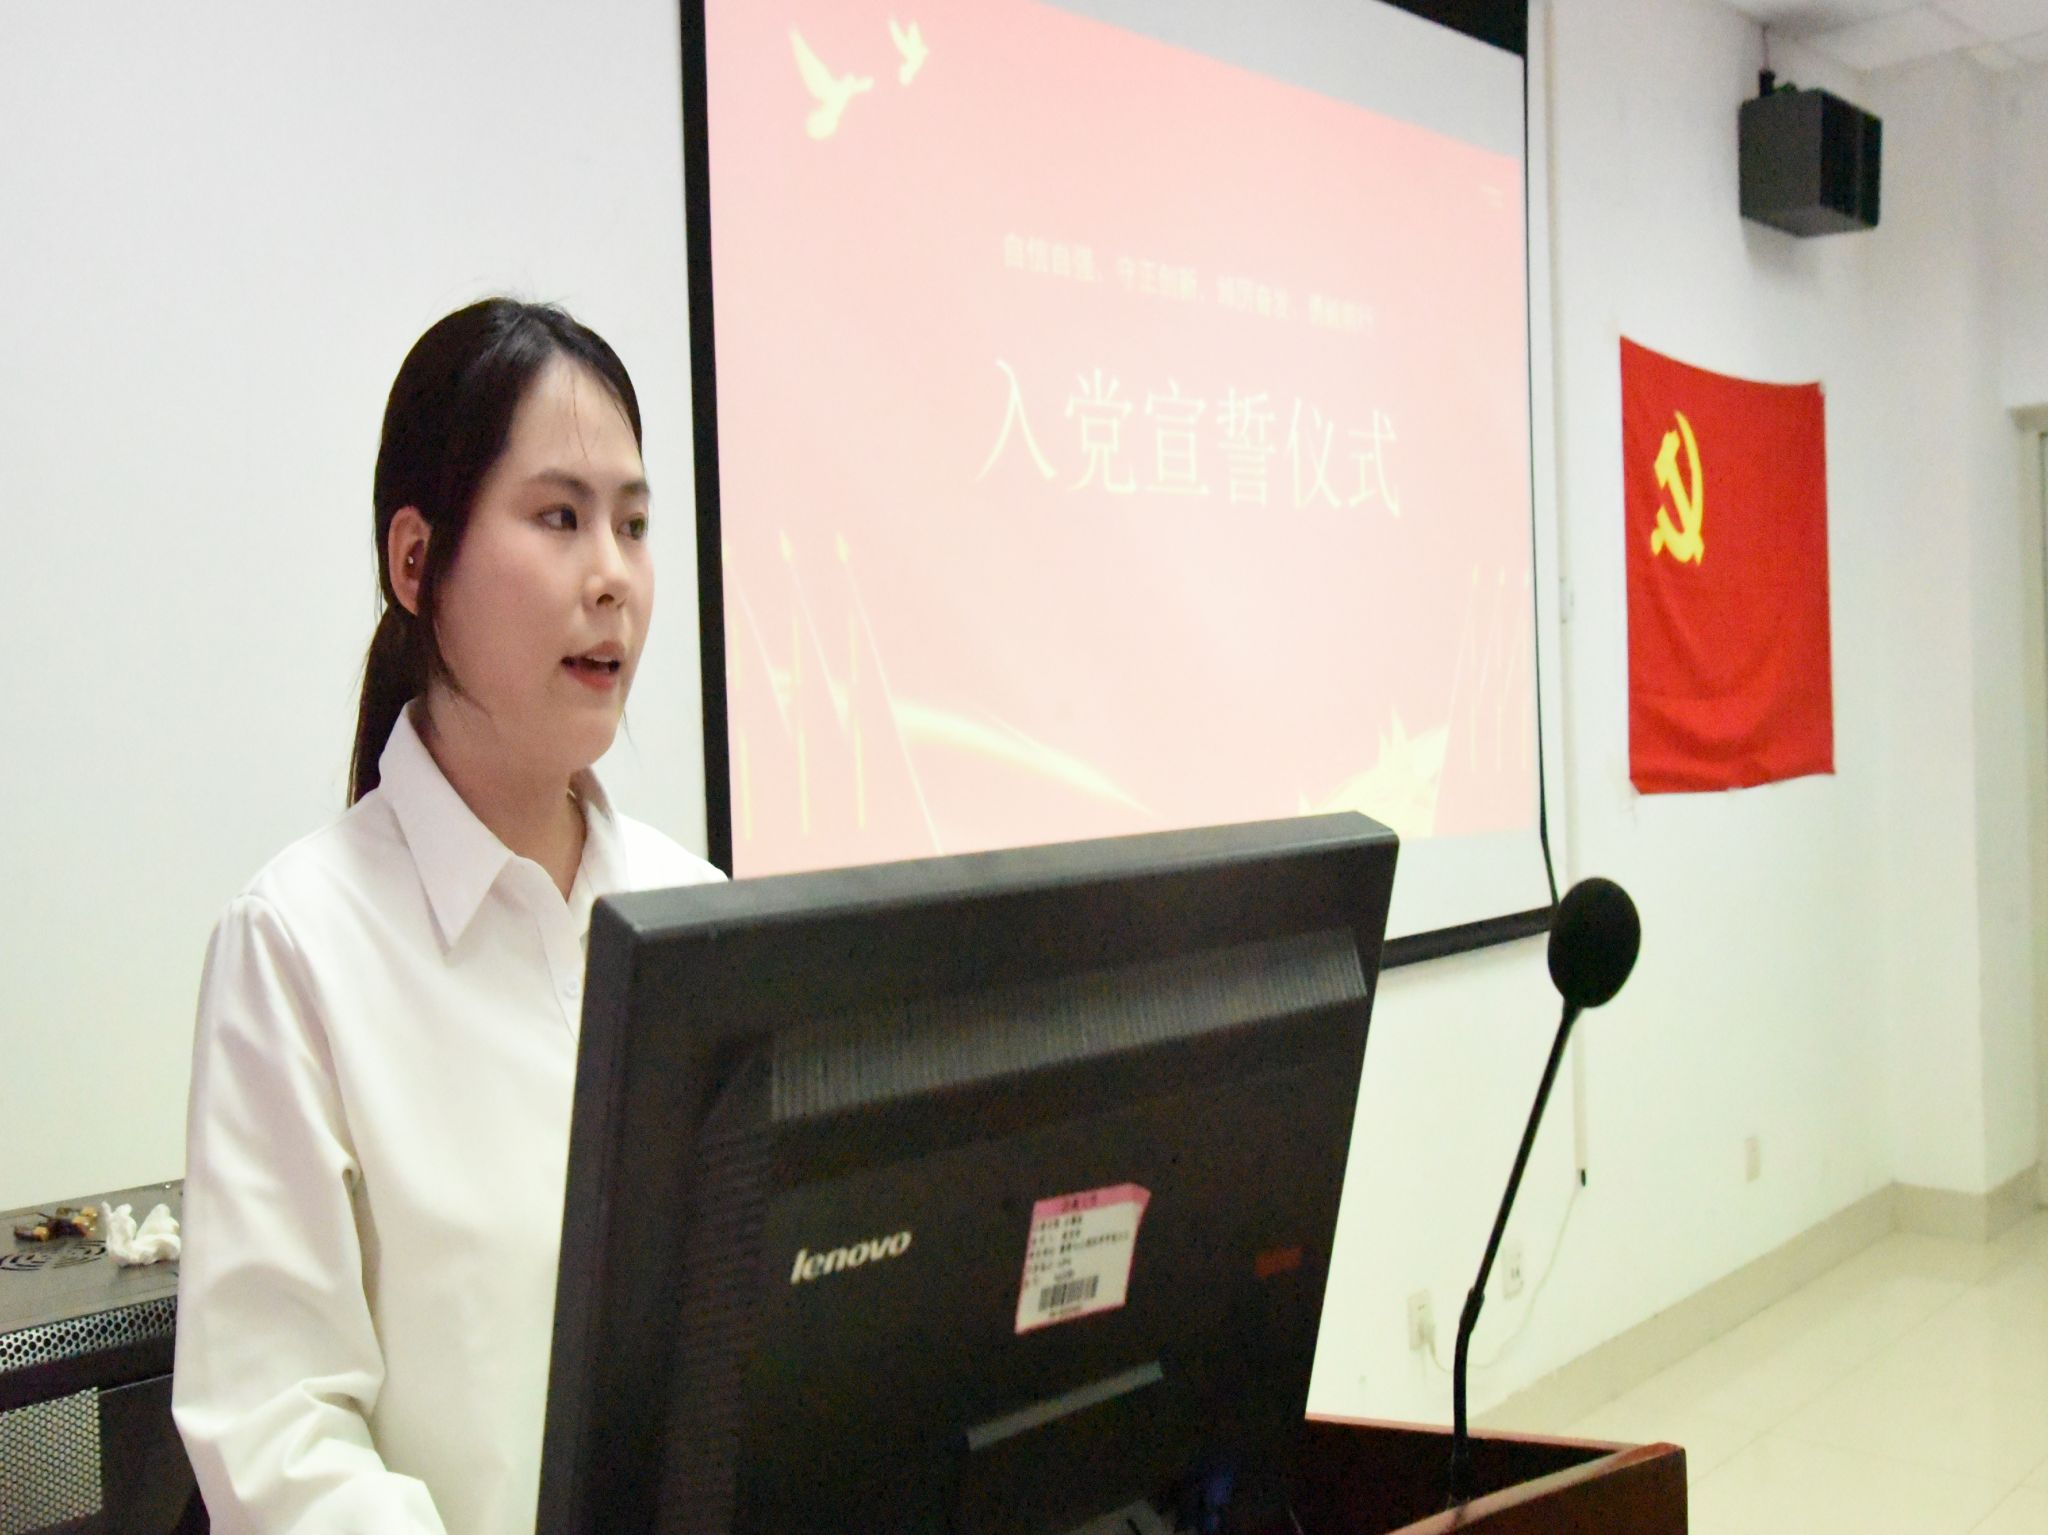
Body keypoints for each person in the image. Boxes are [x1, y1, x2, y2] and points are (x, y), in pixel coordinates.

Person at [172, 298, 723, 1534]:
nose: (612, 577)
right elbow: (280, 1439)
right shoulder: (297, 942)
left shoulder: (700, 916)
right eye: (559, 517)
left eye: (633, 523)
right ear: (415, 559)